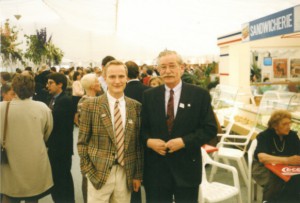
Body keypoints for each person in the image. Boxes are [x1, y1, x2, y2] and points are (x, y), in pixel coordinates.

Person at [141, 50, 217, 203]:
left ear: (182, 68)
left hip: (187, 168)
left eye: (172, 66)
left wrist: (184, 141)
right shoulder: (149, 96)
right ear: (158, 69)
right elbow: (141, 129)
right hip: (157, 169)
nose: (167, 71)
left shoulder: (199, 95)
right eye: (163, 67)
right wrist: (149, 142)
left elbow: (210, 129)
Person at [78, 60, 143, 203]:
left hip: (125, 174)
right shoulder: (90, 105)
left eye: (121, 76)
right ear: (105, 78)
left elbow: (137, 144)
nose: (117, 81)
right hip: (97, 172)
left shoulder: (135, 107)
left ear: (127, 78)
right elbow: (82, 142)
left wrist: (137, 175)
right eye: (112, 77)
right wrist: (88, 170)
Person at [0, 74, 53, 203]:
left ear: (14, 88)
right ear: (33, 88)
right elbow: (47, 132)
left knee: (10, 194)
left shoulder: (2, 107)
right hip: (34, 159)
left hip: (9, 160)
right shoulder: (42, 108)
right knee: (33, 196)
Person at [253, 110, 300, 203]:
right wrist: (287, 160)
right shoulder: (265, 136)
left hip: (286, 168)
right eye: (284, 124)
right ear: (275, 125)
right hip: (262, 169)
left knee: (295, 179)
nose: (288, 126)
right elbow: (262, 158)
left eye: (289, 123)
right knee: (276, 181)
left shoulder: (292, 136)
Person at [46, 73, 75, 203]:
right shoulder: (53, 99)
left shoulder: (65, 101)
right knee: (57, 178)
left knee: (63, 179)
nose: (48, 86)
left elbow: (56, 123)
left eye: (51, 83)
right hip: (55, 147)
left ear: (60, 84)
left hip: (61, 148)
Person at [74, 73, 102, 203]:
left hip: (95, 145)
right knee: (88, 175)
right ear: (92, 85)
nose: (100, 83)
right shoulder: (86, 102)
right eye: (97, 81)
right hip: (90, 145)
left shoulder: (88, 100)